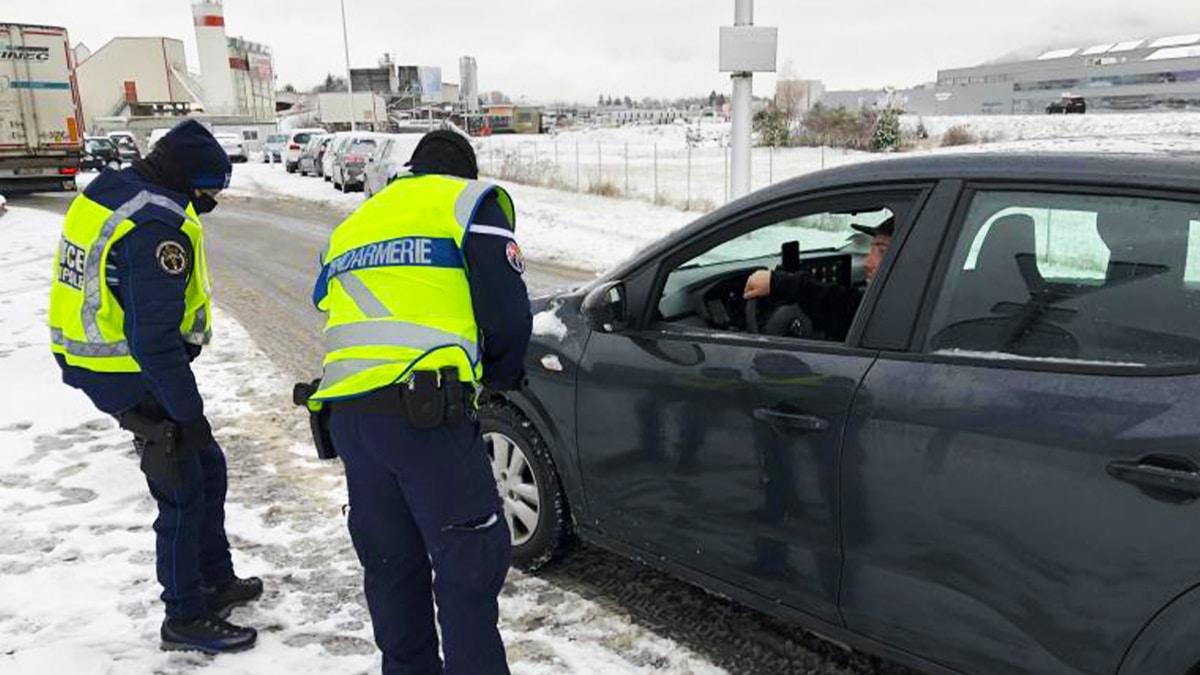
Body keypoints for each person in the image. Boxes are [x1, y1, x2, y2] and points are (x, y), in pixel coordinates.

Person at [308, 129, 531, 675]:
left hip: (350, 421)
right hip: (426, 419)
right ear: (463, 171)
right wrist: (499, 378)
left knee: (391, 566)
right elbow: (507, 313)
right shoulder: (466, 203)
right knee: (468, 567)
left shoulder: (354, 224)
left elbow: (323, 297)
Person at [48, 119, 261, 653]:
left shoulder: (114, 191)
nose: (213, 199)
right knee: (183, 485)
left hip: (99, 359)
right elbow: (155, 341)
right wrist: (187, 416)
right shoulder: (156, 227)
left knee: (207, 465)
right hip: (127, 369)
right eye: (211, 188)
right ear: (189, 178)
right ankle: (185, 615)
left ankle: (215, 580)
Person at [743, 217, 894, 340]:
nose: (867, 263)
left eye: (882, 252)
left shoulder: (892, 311)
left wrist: (782, 283)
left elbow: (848, 308)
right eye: (870, 249)